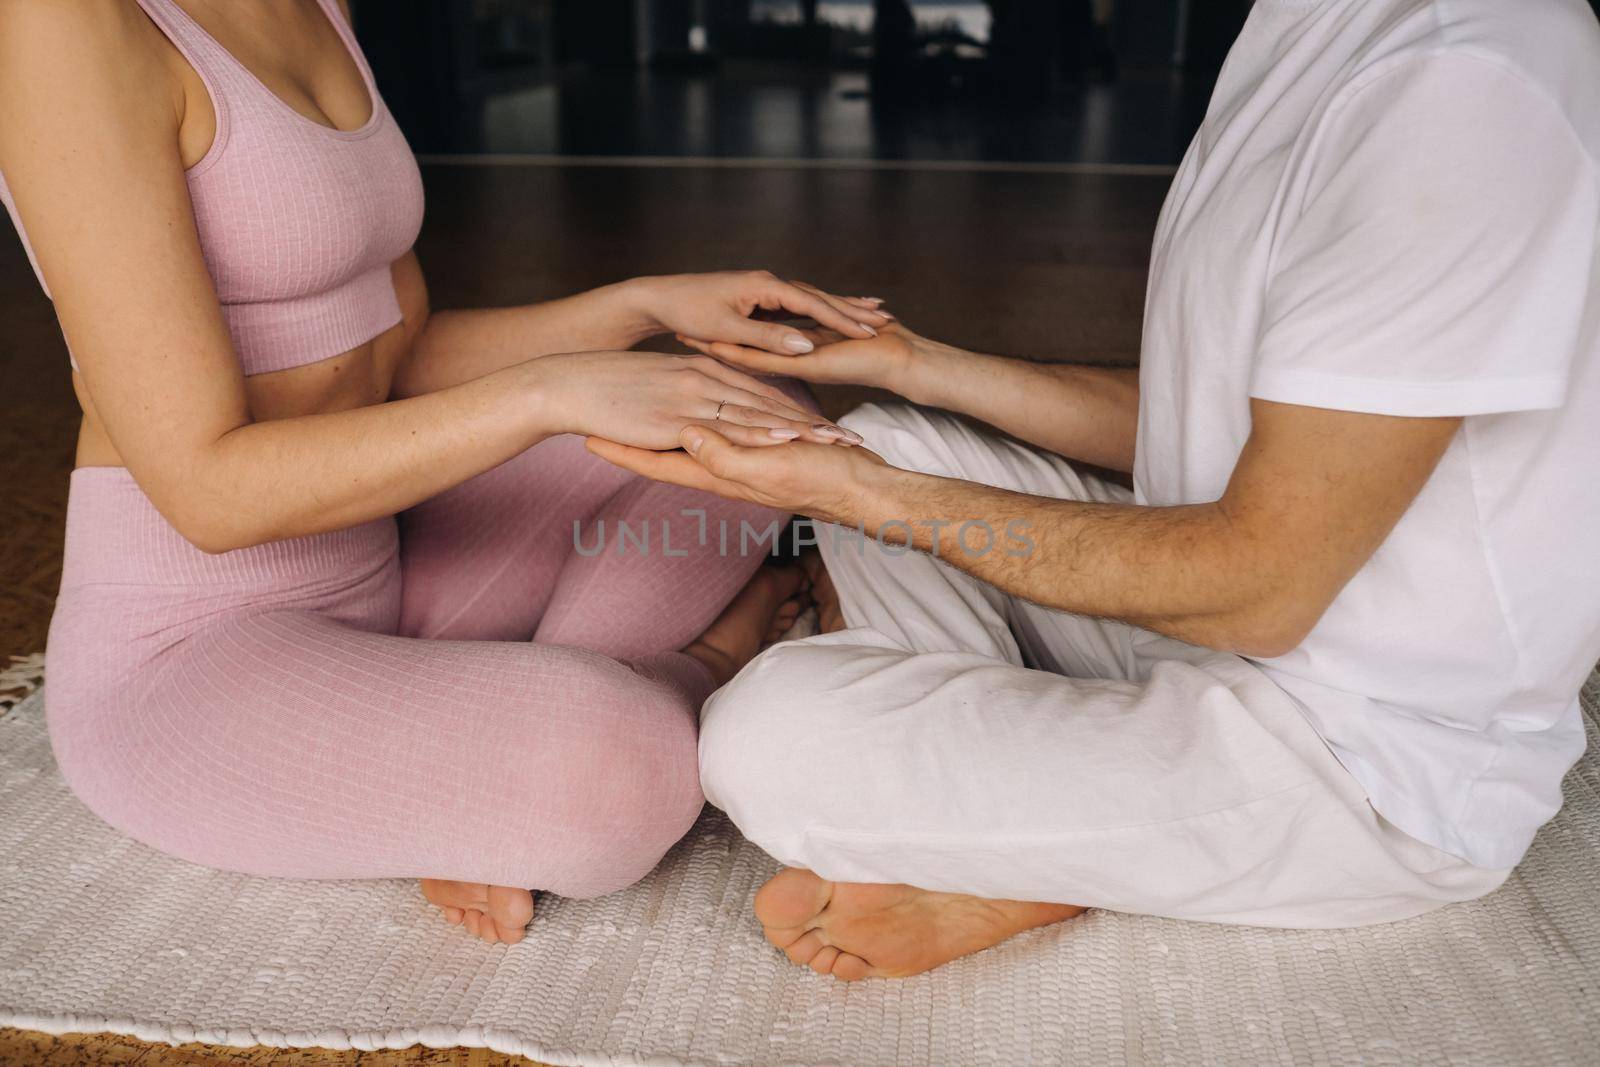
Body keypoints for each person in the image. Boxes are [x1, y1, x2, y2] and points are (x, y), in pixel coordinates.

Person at [593, 0, 1600, 979]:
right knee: (888, 435)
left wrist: (865, 496)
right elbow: (1215, 418)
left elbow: (1263, 584)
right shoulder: (1302, 27)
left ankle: (1035, 834)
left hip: (1368, 754)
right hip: (1204, 629)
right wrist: (909, 364)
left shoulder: (1465, 76)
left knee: (768, 738)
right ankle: (1052, 817)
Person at [0, 0, 893, 945]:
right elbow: (209, 493)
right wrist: (550, 394)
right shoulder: (66, 23)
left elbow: (395, 351)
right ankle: (707, 658)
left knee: (756, 424)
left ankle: (470, 753)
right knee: (612, 767)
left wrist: (638, 309)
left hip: (385, 565)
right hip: (188, 652)